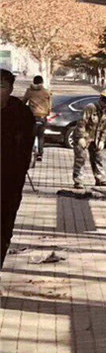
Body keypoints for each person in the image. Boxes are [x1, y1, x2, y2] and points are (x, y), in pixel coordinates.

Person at [0, 69, 36, 267]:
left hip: (9, 184)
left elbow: (26, 149)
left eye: (1, 86)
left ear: (11, 89)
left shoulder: (21, 114)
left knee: (4, 230)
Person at [72, 89, 106, 189]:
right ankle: (78, 181)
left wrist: (102, 140)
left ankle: (100, 179)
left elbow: (105, 128)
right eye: (105, 101)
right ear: (101, 99)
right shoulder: (90, 108)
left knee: (98, 158)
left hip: (95, 139)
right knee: (80, 159)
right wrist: (81, 138)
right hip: (84, 137)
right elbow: (81, 123)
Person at [23, 74, 52, 162]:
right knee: (41, 136)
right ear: (42, 82)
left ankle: (28, 152)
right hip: (42, 116)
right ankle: (40, 154)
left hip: (31, 116)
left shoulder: (29, 91)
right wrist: (47, 113)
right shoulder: (47, 92)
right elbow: (50, 106)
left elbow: (23, 102)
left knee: (30, 135)